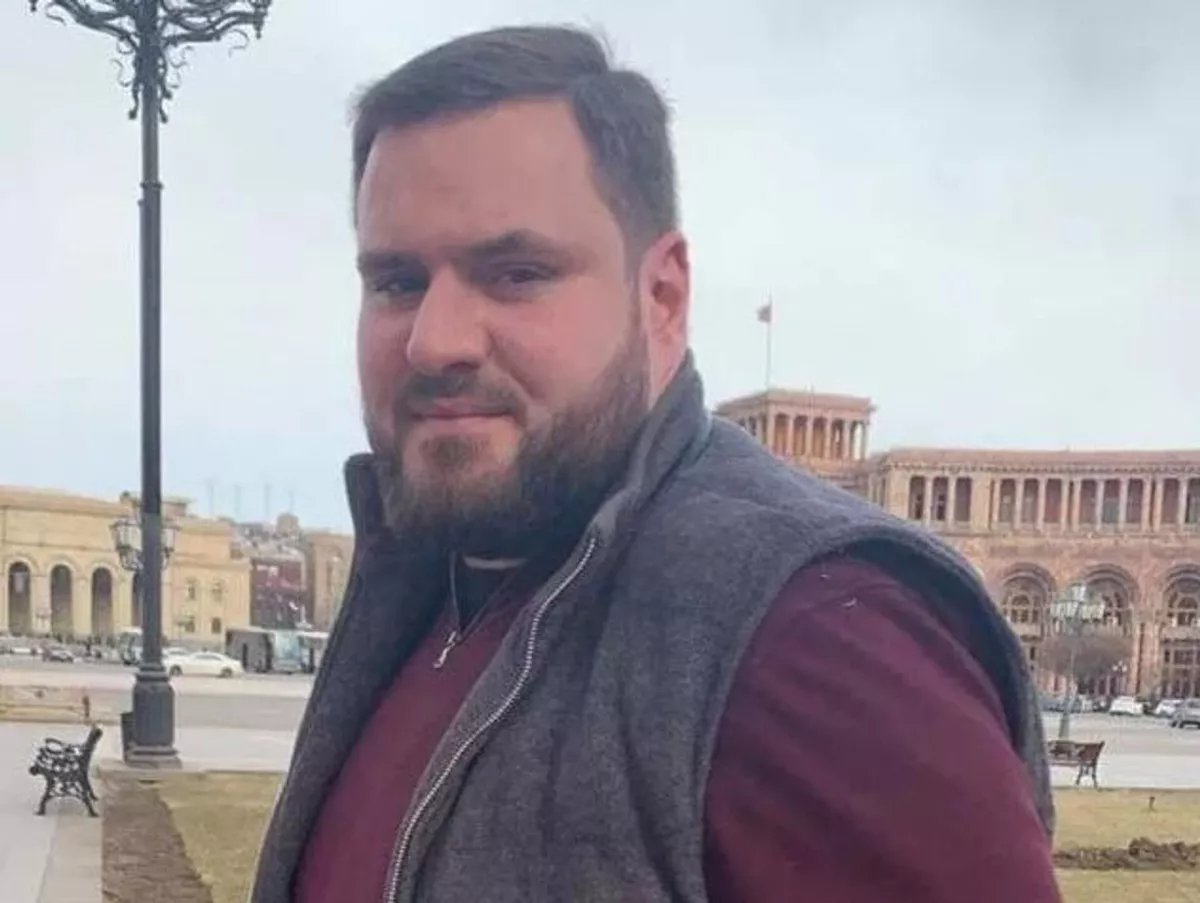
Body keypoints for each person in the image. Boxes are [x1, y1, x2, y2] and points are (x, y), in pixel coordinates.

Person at [251, 25, 1062, 903]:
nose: (433, 340)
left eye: (516, 272)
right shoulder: (433, 574)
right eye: (397, 282)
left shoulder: (814, 630)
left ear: (663, 295)